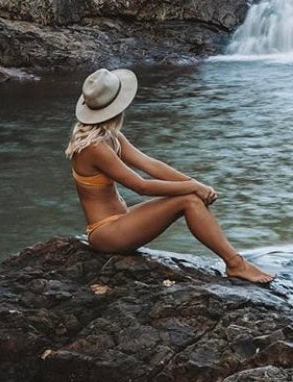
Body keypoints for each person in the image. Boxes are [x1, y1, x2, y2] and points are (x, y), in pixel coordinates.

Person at [66, 67, 273, 285]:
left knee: (190, 197)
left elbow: (151, 165)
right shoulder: (94, 147)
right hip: (106, 233)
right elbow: (141, 186)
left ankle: (235, 262)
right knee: (189, 200)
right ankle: (235, 264)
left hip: (121, 221)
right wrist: (192, 188)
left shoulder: (110, 136)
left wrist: (193, 182)